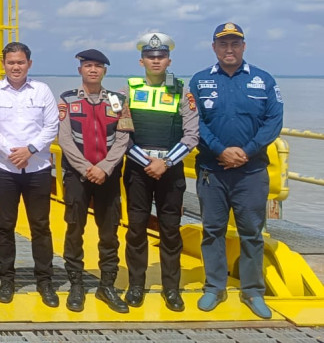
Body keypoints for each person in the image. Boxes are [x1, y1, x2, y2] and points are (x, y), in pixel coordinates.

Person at [190, 23, 282, 319]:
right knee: (212, 230)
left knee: (252, 233)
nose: (229, 49)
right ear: (214, 48)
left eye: (235, 44)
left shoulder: (263, 80)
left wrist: (247, 151)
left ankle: (253, 291)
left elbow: (274, 122)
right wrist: (220, 150)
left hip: (251, 172)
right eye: (223, 44)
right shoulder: (200, 81)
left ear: (244, 47)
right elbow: (195, 122)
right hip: (212, 171)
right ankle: (213, 287)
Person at [0, 41, 60, 307]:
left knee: (41, 226)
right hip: (4, 168)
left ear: (29, 64)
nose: (16, 67)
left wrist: (30, 150)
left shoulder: (42, 91)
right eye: (11, 62)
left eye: (21, 62)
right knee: (4, 226)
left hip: (37, 168)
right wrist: (12, 152)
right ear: (4, 64)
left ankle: (45, 281)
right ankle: (7, 279)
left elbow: (52, 126)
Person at [123, 32, 199, 312]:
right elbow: (122, 135)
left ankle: (171, 289)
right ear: (141, 60)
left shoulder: (182, 92)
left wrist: (165, 163)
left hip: (170, 171)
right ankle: (135, 287)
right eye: (150, 57)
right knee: (136, 230)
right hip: (138, 171)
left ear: (169, 59)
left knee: (170, 232)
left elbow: (191, 135)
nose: (156, 61)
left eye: (161, 56)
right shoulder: (127, 91)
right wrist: (146, 162)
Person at [57, 49, 131, 313]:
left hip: (108, 176)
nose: (93, 70)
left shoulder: (117, 101)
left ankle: (106, 286)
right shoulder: (67, 100)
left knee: (109, 232)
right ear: (80, 70)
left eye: (98, 66)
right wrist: (88, 168)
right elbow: (64, 139)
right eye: (88, 65)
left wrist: (105, 168)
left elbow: (123, 137)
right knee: (74, 229)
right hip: (78, 175)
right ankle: (76, 285)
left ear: (105, 71)